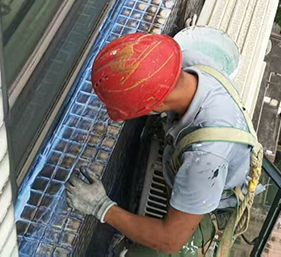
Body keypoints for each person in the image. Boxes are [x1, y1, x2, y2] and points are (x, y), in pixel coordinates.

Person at [65, 33, 261, 256]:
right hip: (213, 160)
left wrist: (101, 207)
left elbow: (169, 241)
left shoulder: (205, 159)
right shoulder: (190, 61)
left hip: (213, 203)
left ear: (155, 105)